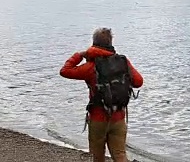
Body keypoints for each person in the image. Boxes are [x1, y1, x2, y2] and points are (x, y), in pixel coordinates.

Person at [60, 27, 143, 162]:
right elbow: (139, 82)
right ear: (110, 42)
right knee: (120, 155)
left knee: (97, 156)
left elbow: (65, 71)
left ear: (94, 42)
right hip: (119, 117)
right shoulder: (122, 62)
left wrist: (80, 55)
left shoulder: (91, 67)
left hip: (98, 118)